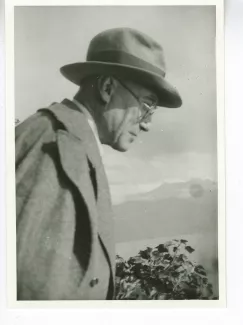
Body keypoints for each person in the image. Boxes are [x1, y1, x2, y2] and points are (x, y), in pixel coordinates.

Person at [15, 27, 182, 300]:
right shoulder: (59, 145)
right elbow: (35, 287)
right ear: (107, 88)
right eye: (147, 105)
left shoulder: (69, 139)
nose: (148, 124)